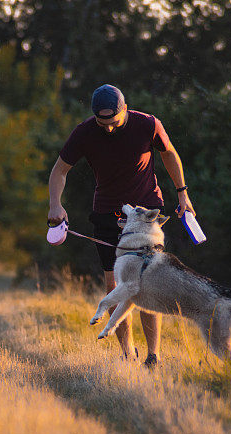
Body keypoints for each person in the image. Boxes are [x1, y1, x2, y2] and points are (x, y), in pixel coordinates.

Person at [47, 84, 195, 368]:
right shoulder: (85, 132)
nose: (109, 129)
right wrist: (56, 204)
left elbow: (169, 154)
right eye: (103, 124)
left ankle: (153, 355)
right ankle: (127, 352)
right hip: (107, 215)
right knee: (113, 285)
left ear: (124, 109)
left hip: (146, 215)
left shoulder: (148, 124)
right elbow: (59, 171)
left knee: (151, 284)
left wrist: (182, 193)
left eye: (114, 122)